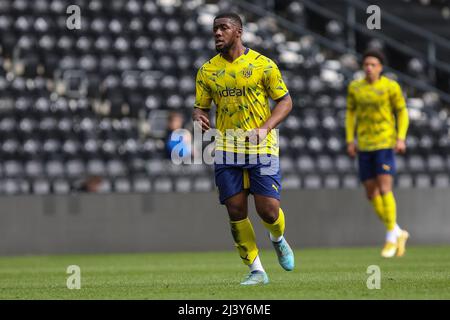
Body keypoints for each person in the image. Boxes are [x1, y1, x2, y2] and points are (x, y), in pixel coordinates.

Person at [192, 12, 294, 285]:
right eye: (215, 29)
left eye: (223, 28)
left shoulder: (263, 65)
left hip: (263, 146)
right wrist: (198, 116)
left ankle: (278, 238)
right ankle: (257, 270)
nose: (217, 33)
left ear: (238, 32)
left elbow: (285, 102)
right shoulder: (207, 70)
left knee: (269, 211)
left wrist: (265, 127)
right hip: (226, 148)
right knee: (236, 210)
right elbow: (200, 106)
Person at [346, 49, 410, 258]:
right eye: (366, 64)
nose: (369, 68)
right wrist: (350, 139)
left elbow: (402, 112)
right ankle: (398, 231)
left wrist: (400, 137)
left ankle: (391, 236)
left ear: (381, 67)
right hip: (364, 144)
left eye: (373, 64)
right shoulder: (355, 87)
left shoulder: (390, 87)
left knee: (384, 189)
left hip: (384, 142)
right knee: (371, 193)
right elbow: (350, 114)